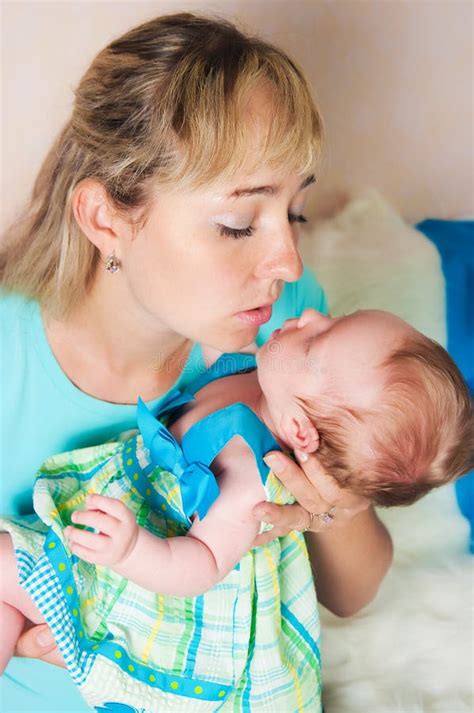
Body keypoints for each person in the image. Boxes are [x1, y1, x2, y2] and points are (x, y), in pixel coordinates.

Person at [0, 12, 394, 711]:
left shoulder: (290, 334)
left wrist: (335, 504)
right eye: (238, 224)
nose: (287, 261)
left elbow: (353, 594)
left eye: (294, 212)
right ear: (106, 219)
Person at [0, 307, 472, 712]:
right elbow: (209, 350)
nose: (309, 317)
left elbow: (202, 566)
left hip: (153, 577)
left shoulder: (250, 471)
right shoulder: (258, 376)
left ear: (300, 431)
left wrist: (129, 551)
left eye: (318, 339)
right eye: (335, 318)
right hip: (133, 534)